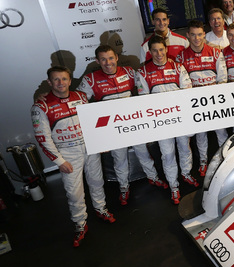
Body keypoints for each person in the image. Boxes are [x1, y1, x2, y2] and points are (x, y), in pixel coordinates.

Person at [32, 65, 115, 247]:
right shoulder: (41, 106)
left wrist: (99, 142)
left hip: (89, 148)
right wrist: (59, 161)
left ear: (70, 80)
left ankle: (101, 208)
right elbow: (43, 138)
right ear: (49, 82)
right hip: (68, 154)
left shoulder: (81, 97)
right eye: (56, 79)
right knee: (74, 192)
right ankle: (80, 223)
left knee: (96, 181)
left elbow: (92, 122)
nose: (60, 83)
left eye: (64, 79)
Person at [77, 45, 168, 205]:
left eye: (111, 58)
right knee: (119, 160)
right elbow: (77, 100)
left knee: (143, 153)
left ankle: (153, 177)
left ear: (116, 58)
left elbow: (148, 84)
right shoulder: (90, 79)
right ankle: (124, 188)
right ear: (97, 61)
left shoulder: (129, 72)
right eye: (103, 59)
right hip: (112, 129)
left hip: (133, 123)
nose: (108, 62)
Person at [136, 37, 194, 204]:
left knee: (185, 148)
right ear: (149, 52)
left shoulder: (177, 67)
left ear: (166, 49)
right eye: (155, 50)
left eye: (161, 50)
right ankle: (174, 186)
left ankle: (186, 174)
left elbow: (187, 91)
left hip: (181, 118)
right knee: (167, 154)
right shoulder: (143, 72)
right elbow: (144, 100)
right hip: (161, 122)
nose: (159, 54)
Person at [176, 20, 228, 178]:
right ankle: (204, 162)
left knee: (221, 131)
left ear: (204, 35)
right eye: (193, 34)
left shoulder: (215, 53)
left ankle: (223, 160)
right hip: (194, 102)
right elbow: (179, 81)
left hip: (214, 99)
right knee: (200, 134)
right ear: (188, 36)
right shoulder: (181, 56)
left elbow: (222, 78)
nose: (197, 38)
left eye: (199, 34)